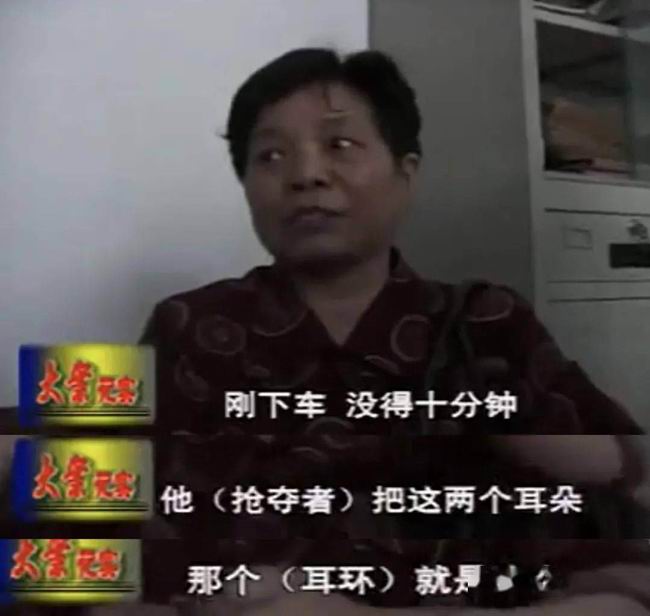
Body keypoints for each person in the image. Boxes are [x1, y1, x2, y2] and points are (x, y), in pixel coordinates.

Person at [138, 48, 650, 613]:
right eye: (271, 156)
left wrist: (573, 453)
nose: (305, 175)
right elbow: (79, 523)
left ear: (406, 175)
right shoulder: (186, 326)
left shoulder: (483, 324)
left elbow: (627, 489)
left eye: (339, 145)